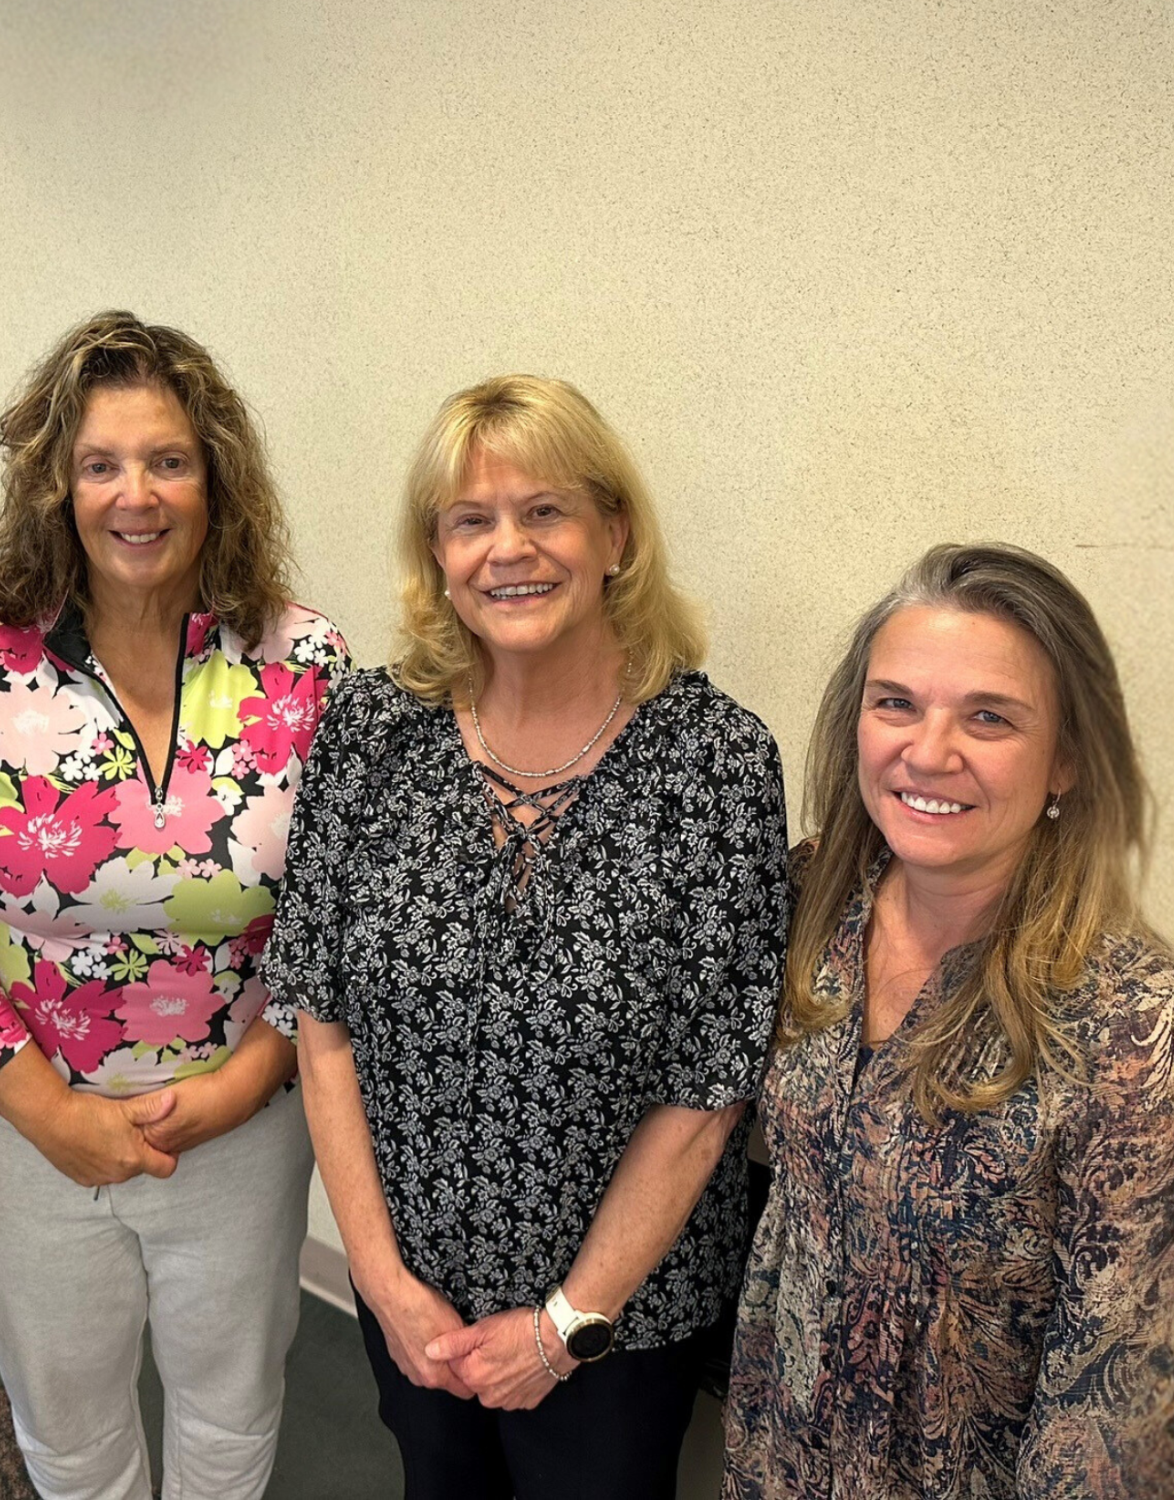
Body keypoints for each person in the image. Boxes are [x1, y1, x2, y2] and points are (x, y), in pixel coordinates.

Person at [262, 375, 789, 1500]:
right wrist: (379, 1277)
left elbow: (707, 1096)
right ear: (437, 556)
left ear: (615, 533)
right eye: (469, 520)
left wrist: (562, 1327)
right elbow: (321, 1025)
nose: (508, 549)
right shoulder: (366, 728)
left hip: (618, 1319)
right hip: (413, 1303)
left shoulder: (717, 765)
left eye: (543, 511)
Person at [0, 310, 349, 1500]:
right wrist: (46, 1113)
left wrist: (246, 1080)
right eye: (100, 464)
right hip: (22, 1129)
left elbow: (341, 916)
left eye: (168, 460)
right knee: (69, 1420)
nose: (136, 494)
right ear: (56, 488)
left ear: (215, 479)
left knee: (231, 1408)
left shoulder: (306, 666)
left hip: (238, 1123)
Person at [720, 543, 1174, 1499]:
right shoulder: (811, 898)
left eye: (989, 717)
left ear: (1068, 761)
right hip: (779, 1453)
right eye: (897, 703)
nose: (927, 751)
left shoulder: (1135, 1028)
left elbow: (1109, 1406)